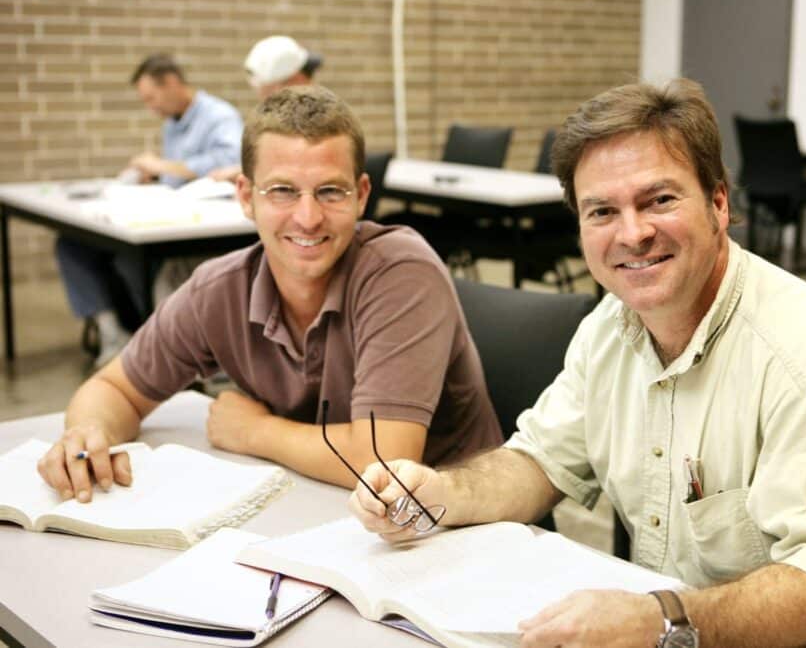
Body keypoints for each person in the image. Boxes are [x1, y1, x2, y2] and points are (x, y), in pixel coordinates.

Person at [348, 79, 806, 648]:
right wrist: (437, 491)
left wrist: (662, 621)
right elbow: (539, 463)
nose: (633, 233)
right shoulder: (610, 327)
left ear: (718, 203)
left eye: (659, 200)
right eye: (602, 211)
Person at [38, 86, 502, 507]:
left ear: (361, 196)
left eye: (330, 192)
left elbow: (383, 461)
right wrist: (89, 433)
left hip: (455, 528)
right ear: (245, 196)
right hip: (320, 507)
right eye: (282, 191)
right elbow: (113, 388)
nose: (307, 217)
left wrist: (254, 432)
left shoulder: (400, 272)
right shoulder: (219, 289)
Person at [56, 54, 244, 365]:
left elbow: (230, 164)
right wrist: (156, 174)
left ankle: (164, 344)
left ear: (171, 83)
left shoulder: (219, 115)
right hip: (170, 209)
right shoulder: (172, 123)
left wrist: (163, 165)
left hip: (201, 222)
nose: (150, 107)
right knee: (73, 244)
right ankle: (114, 333)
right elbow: (178, 172)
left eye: (151, 98)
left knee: (131, 256)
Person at [208, 36, 324, 183]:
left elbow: (300, 165)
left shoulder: (319, 117)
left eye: (264, 89)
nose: (262, 96)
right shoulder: (280, 118)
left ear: (296, 79)